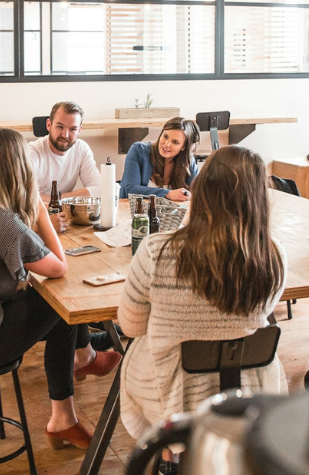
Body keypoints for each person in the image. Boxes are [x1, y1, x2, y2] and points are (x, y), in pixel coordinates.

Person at [0, 128, 122, 450]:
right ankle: (73, 389)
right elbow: (58, 266)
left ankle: (75, 385)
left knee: (50, 304)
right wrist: (40, 209)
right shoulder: (1, 221)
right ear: (20, 168)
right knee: (59, 304)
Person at [118, 145, 289, 472]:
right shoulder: (274, 255)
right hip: (248, 387)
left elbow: (130, 326)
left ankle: (171, 451)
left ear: (201, 190)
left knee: (139, 350)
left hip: (174, 390)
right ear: (259, 196)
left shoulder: (158, 250)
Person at [28, 101, 101, 234]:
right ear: (49, 125)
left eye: (72, 129)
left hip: (66, 222)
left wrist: (59, 200)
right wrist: (68, 202)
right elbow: (25, 197)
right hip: (35, 223)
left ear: (79, 130)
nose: (65, 135)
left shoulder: (81, 148)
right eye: (60, 127)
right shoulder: (32, 152)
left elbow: (99, 189)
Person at [119, 117, 200, 201]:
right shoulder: (138, 150)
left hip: (172, 213)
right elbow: (131, 190)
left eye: (175, 142)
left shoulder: (188, 161)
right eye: (165, 136)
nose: (167, 144)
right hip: (132, 212)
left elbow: (198, 192)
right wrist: (167, 194)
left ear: (184, 146)